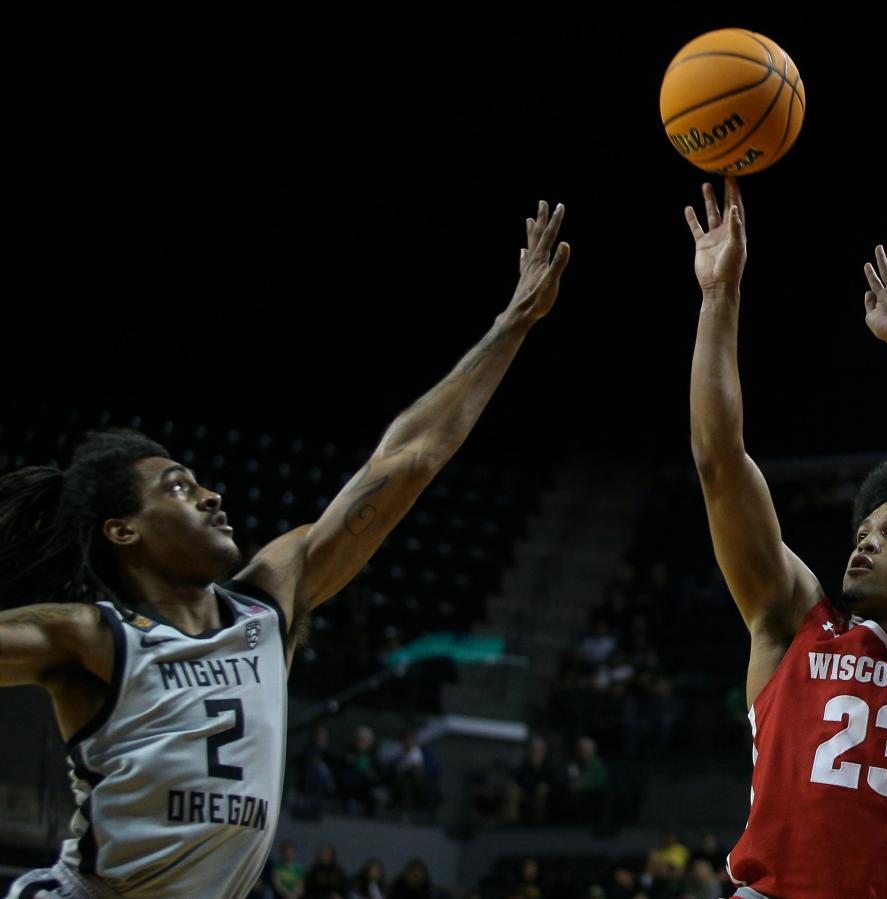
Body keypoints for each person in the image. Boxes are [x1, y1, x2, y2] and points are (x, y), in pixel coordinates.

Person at [0, 200, 569, 899]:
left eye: (201, 481)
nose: (209, 494)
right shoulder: (94, 638)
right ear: (123, 530)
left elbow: (409, 457)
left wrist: (509, 326)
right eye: (178, 488)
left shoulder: (269, 603)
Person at [685, 178, 887, 898]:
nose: (863, 543)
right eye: (864, 530)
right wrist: (720, 296)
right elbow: (719, 461)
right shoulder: (792, 622)